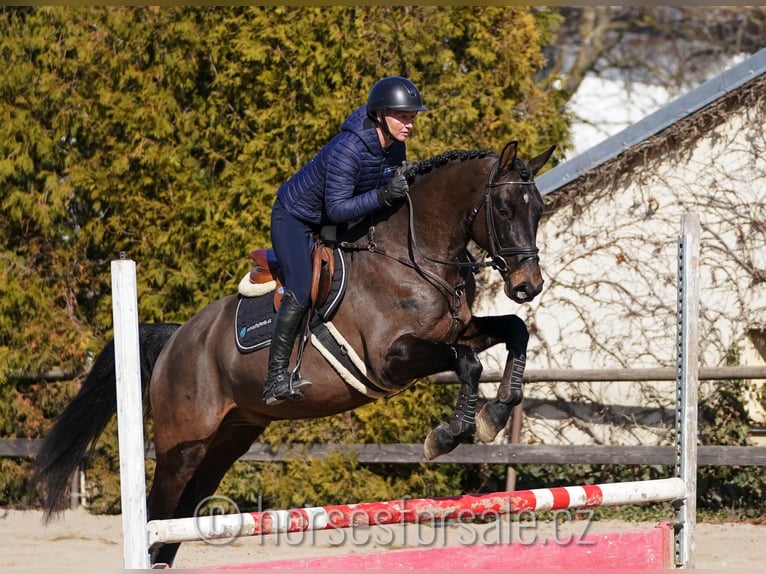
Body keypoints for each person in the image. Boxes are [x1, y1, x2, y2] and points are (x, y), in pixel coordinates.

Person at [263, 76, 428, 406]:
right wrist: (384, 194)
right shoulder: (348, 148)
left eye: (412, 117)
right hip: (295, 219)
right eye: (403, 116)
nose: (410, 124)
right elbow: (338, 208)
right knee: (300, 284)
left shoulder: (396, 145)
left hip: (333, 221)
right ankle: (275, 377)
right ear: (380, 115)